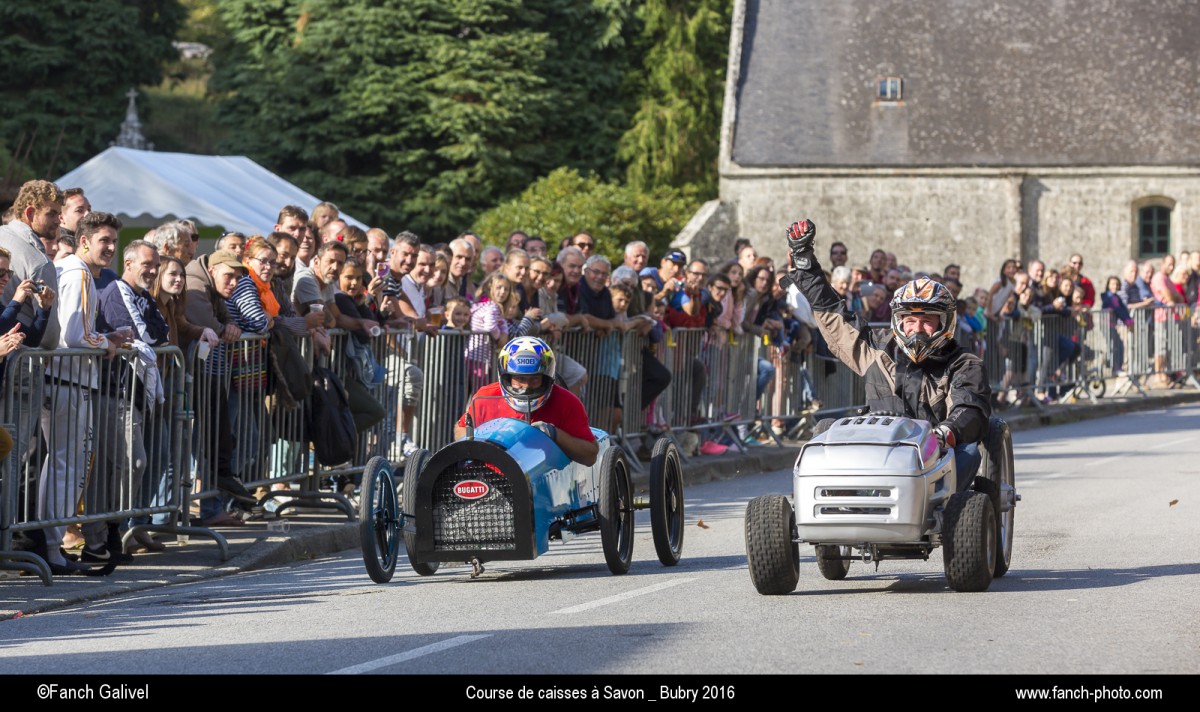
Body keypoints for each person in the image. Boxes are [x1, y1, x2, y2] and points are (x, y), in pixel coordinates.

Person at [783, 218, 991, 490]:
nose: (917, 329)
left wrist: (945, 433)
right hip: (879, 445)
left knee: (969, 453)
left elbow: (970, 408)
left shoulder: (964, 364)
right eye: (910, 320)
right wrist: (804, 262)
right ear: (899, 321)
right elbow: (834, 315)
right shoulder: (878, 348)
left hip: (934, 454)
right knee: (826, 434)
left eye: (927, 321)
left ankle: (947, 511)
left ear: (945, 323)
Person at [453, 336, 598, 466]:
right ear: (506, 377)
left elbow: (590, 456)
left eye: (534, 379)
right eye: (520, 379)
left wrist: (554, 434)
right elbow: (460, 429)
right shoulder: (486, 396)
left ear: (546, 377)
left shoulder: (567, 402)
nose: (526, 387)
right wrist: (483, 439)